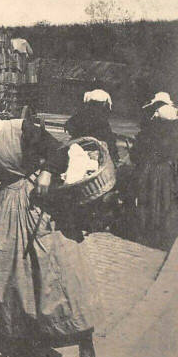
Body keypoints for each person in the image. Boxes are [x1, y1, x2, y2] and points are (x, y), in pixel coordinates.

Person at [0, 98, 101, 357]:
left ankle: (85, 344)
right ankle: (12, 340)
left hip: (41, 198)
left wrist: (47, 171)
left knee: (59, 270)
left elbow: (61, 150)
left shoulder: (20, 129)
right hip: (9, 204)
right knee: (7, 271)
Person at [130, 101, 178, 251]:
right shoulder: (174, 133)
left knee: (148, 198)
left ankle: (146, 232)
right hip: (167, 171)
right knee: (166, 200)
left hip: (149, 170)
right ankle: (163, 235)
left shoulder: (149, 131)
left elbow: (136, 153)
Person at [64, 89, 119, 164]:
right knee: (110, 144)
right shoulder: (102, 118)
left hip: (78, 146)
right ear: (103, 103)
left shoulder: (80, 114)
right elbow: (108, 138)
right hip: (95, 149)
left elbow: (68, 126)